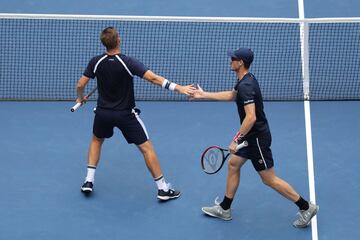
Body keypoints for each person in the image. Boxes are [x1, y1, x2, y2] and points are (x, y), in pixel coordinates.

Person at [190, 48, 319, 227]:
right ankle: (225, 208)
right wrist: (203, 95)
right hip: (251, 137)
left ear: (241, 62)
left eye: (233, 58)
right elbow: (232, 95)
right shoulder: (244, 80)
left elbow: (251, 118)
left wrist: (236, 140)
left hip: (257, 139)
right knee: (233, 164)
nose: (230, 60)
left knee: (269, 179)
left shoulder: (246, 86)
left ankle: (305, 207)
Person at [76, 26, 195, 201]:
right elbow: (153, 78)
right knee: (147, 149)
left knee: (96, 140)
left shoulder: (96, 62)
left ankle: (88, 181)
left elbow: (80, 84)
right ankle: (163, 189)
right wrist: (180, 88)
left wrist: (80, 98)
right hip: (125, 115)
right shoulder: (128, 62)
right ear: (118, 40)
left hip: (103, 114)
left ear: (104, 44)